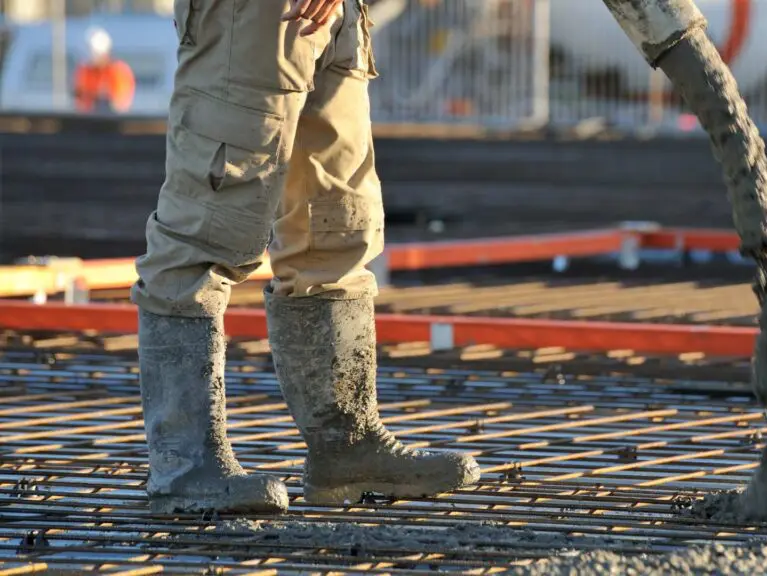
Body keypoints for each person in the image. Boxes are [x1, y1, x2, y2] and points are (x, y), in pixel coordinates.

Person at [131, 0, 480, 514]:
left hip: (336, 16)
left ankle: (346, 447)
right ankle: (184, 466)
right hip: (253, 16)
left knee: (334, 227)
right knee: (206, 226)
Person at [73, 27, 135, 114]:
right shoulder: (85, 71)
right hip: (88, 117)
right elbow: (80, 98)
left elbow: (121, 101)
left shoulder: (118, 71)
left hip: (113, 117)